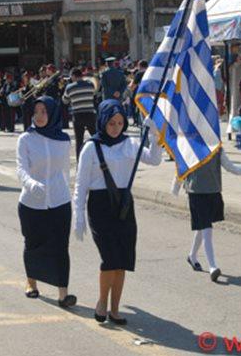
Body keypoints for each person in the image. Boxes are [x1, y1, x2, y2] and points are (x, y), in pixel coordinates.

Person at [73, 100, 162, 325]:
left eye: (120, 122)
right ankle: (102, 301)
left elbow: (154, 159)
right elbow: (80, 185)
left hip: (123, 205)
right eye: (111, 123)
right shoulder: (91, 147)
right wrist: (79, 215)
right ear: (102, 121)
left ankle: (115, 309)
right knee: (109, 257)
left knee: (122, 259)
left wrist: (153, 135)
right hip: (100, 206)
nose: (116, 127)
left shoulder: (130, 143)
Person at [16, 96, 77, 307]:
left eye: (44, 111)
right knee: (33, 244)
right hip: (32, 202)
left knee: (61, 246)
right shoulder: (26, 139)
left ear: (52, 113)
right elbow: (21, 168)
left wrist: (72, 196)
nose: (39, 116)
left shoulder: (63, 140)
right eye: (36, 111)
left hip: (60, 200)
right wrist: (31, 184)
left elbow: (66, 171)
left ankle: (63, 293)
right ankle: (31, 282)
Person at [174, 145, 241, 282]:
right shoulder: (190, 147)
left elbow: (228, 165)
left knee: (203, 228)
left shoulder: (217, 147)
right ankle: (213, 266)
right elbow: (181, 167)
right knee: (207, 229)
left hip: (213, 191)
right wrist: (176, 185)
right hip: (196, 192)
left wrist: (240, 170)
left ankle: (192, 256)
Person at [63, 67, 97, 159]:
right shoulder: (90, 85)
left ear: (74, 76)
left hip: (77, 115)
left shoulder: (70, 87)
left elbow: (65, 101)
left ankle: (80, 161)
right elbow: (93, 95)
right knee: (96, 137)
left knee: (79, 141)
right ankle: (100, 156)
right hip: (90, 114)